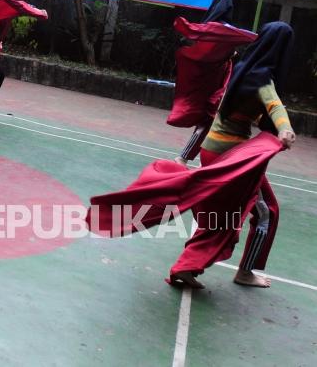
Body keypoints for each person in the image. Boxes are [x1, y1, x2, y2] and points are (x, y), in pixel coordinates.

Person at [88, 22, 296, 291]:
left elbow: (245, 112)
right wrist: (285, 128)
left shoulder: (241, 72)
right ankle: (244, 272)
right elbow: (274, 105)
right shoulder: (261, 78)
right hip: (232, 156)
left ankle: (187, 267)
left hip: (213, 151)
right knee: (265, 211)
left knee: (222, 215)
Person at [168, 0, 256, 165]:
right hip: (217, 82)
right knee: (209, 119)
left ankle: (197, 158)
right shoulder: (225, 30)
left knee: (209, 119)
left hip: (204, 80)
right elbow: (248, 37)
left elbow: (191, 36)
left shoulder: (206, 28)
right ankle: (187, 157)